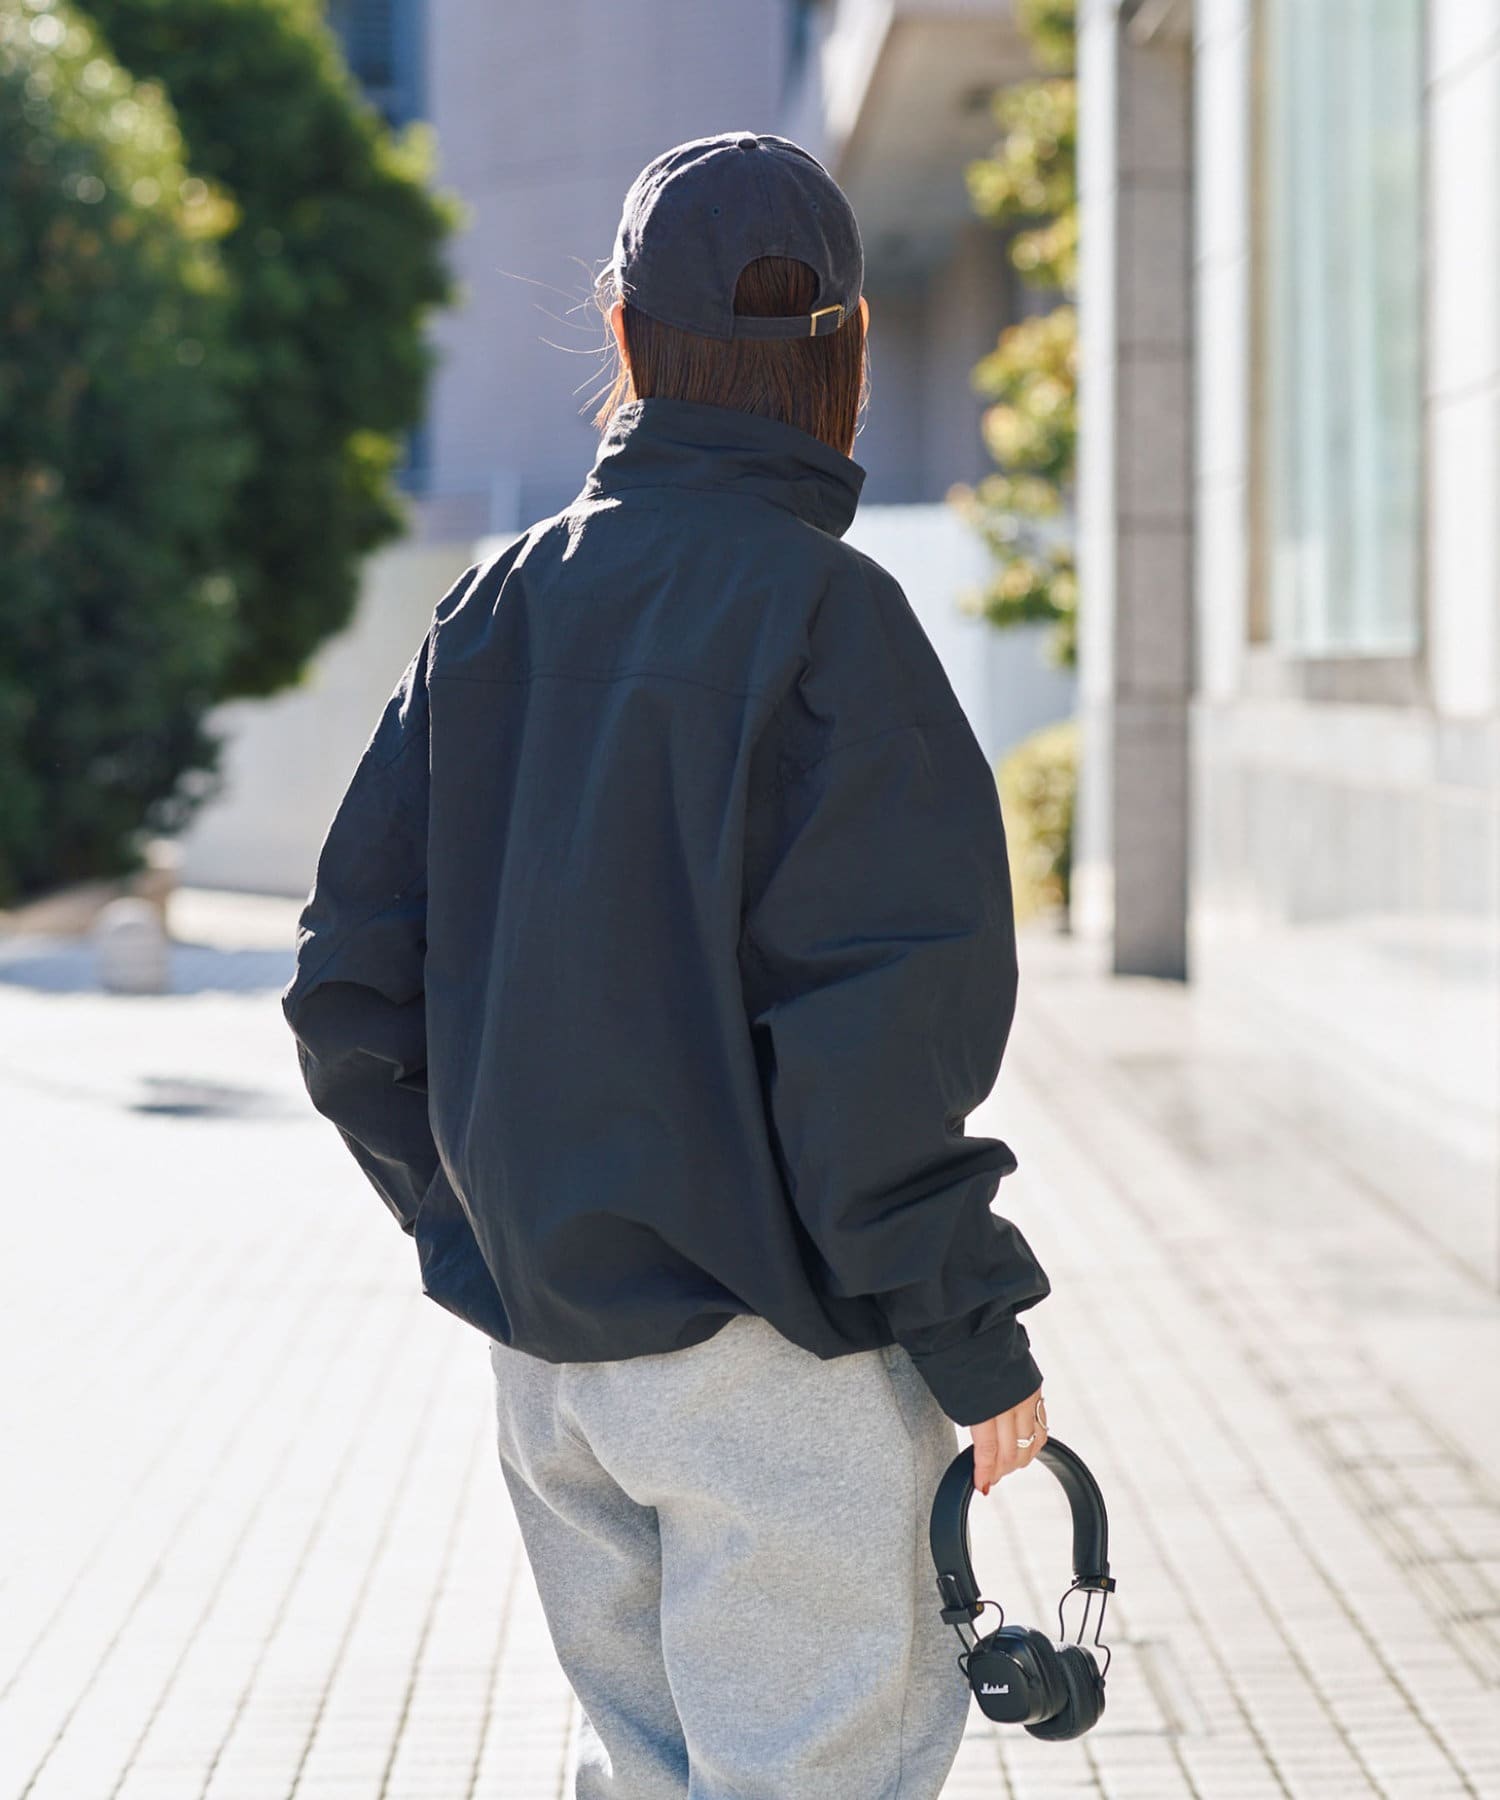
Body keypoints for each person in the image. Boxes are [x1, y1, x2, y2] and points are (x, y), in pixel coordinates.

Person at [282, 130, 1052, 1800]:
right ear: (850, 351)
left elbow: (348, 996)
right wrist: (975, 1333)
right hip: (783, 1357)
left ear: (624, 334)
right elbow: (873, 1048)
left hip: (556, 1372)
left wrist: (492, 1227)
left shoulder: (492, 613)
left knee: (640, 1773)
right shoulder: (835, 620)